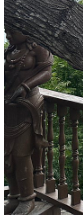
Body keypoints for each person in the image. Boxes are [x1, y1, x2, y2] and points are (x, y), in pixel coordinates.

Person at [4, 28, 53, 215]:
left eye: (12, 32)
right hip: (9, 106)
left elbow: (47, 72)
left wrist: (26, 86)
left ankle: (27, 199)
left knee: (21, 154)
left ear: (25, 31)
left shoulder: (37, 47)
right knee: (6, 156)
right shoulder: (11, 50)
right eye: (6, 32)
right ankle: (14, 196)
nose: (8, 36)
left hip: (28, 107)